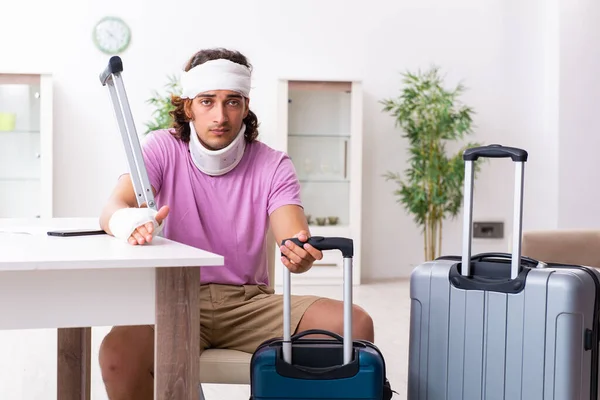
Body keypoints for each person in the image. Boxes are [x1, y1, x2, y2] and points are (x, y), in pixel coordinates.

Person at [97, 48, 377, 399]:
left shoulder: (272, 164)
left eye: (232, 102)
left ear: (245, 107)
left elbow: (292, 234)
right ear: (189, 107)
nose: (220, 115)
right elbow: (112, 207)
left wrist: (298, 254)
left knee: (355, 324)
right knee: (117, 354)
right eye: (207, 102)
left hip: (249, 304)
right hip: (176, 299)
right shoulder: (161, 148)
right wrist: (130, 220)